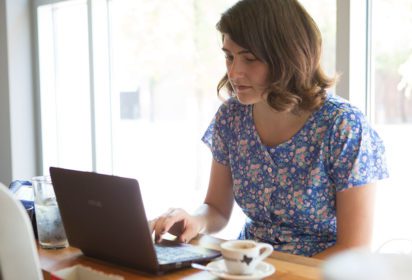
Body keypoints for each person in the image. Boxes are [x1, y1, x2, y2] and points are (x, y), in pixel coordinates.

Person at [151, 0, 388, 259]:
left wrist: (279, 273)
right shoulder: (231, 117)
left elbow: (355, 248)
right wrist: (194, 219)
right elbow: (216, 209)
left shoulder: (343, 126)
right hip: (248, 266)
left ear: (287, 56)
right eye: (229, 57)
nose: (234, 72)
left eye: (249, 59)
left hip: (316, 272)